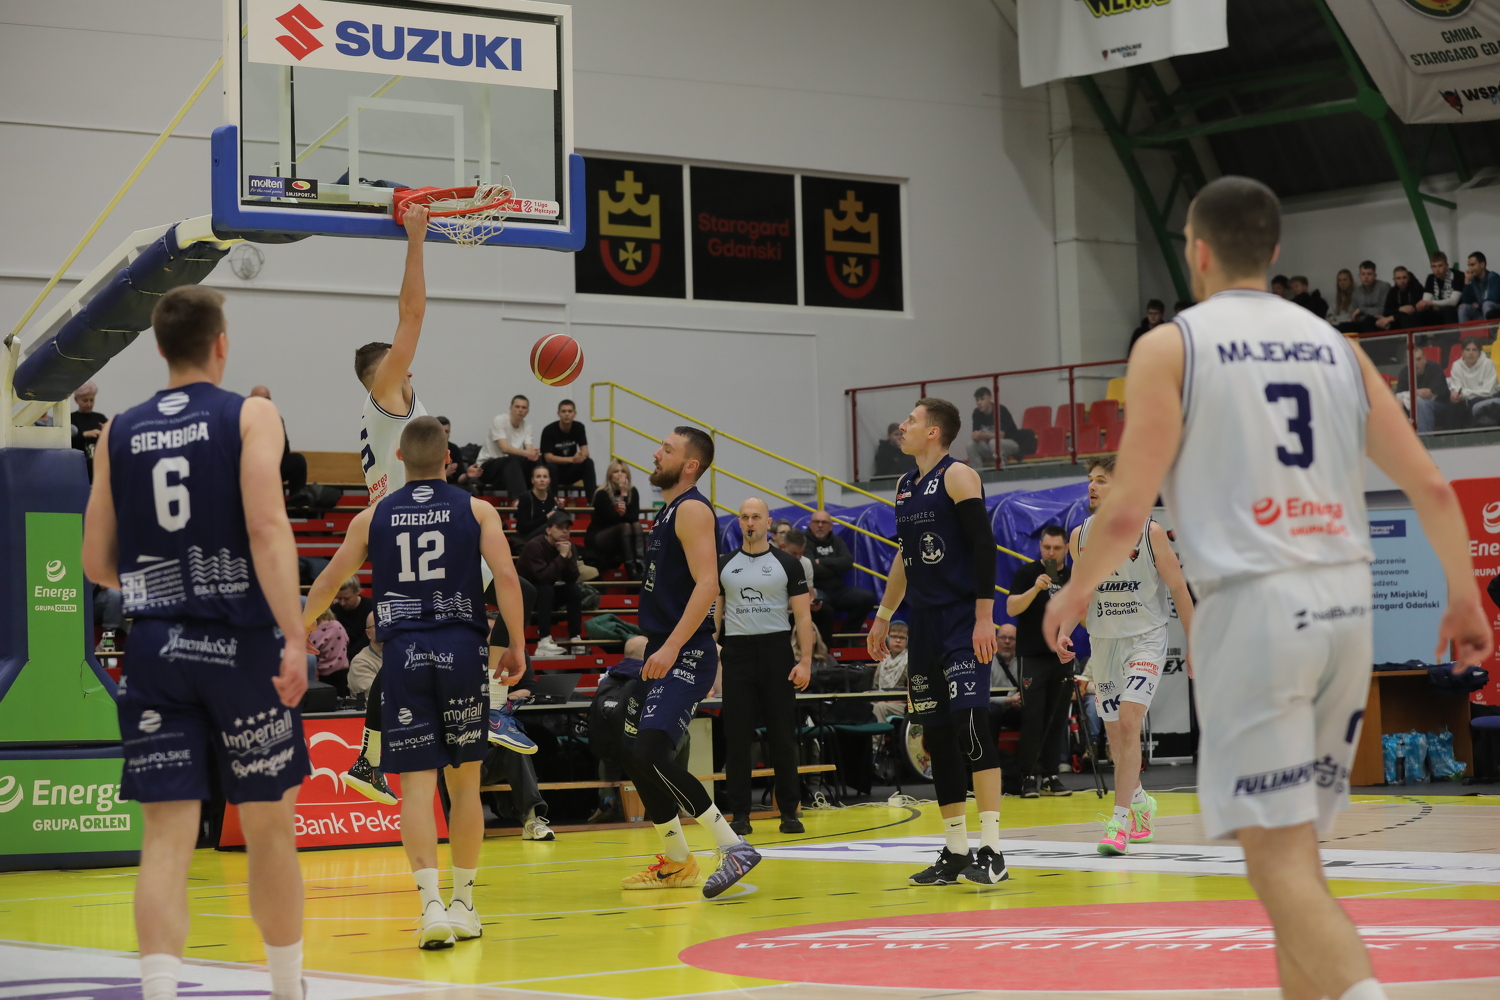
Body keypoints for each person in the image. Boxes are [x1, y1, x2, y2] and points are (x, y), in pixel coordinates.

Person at [1044, 175, 1490, 1000]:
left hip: (1257, 607)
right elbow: (1430, 485)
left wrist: (1074, 592)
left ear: (1196, 252)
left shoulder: (1172, 346)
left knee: (1276, 861)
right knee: (1297, 853)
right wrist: (1463, 596)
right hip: (1344, 609)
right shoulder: (1339, 347)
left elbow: (1126, 509)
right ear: (1275, 251)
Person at [81, 285, 309, 1000]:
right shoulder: (251, 413)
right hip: (240, 645)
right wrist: (295, 634)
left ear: (158, 347)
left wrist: (162, 578)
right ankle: (287, 989)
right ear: (222, 344)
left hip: (156, 646)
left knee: (165, 839)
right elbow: (267, 527)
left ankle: (158, 992)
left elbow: (96, 563)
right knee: (268, 830)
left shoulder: (117, 430)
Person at [303, 416, 528, 949]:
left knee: (418, 788)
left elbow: (328, 581)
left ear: (400, 458)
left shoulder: (372, 515)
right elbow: (507, 578)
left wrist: (298, 632)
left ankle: (430, 908)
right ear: (448, 458)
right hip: (462, 651)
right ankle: (464, 904)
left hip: (404, 655)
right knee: (465, 785)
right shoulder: (478, 510)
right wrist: (517, 644)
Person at [869, 397, 1008, 886]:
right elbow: (905, 557)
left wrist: (985, 617)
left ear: (933, 432)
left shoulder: (959, 476)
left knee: (972, 725)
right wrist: (884, 615)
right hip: (924, 624)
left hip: (963, 619)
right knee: (936, 736)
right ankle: (955, 849)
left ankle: (992, 850)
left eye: (911, 420)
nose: (902, 425)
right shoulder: (905, 485)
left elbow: (984, 547)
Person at [618, 426, 761, 897]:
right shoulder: (669, 510)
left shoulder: (693, 509)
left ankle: (733, 846)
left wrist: (671, 646)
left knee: (650, 753)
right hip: (664, 648)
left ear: (690, 464)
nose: (655, 454)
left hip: (684, 651)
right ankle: (678, 862)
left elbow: (708, 585)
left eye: (667, 449)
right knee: (635, 755)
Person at [343, 204, 433, 805]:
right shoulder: (386, 395)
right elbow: (412, 314)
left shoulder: (388, 415)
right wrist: (416, 239)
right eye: (403, 363)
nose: (410, 368)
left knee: (406, 653)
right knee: (511, 590)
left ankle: (368, 759)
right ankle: (499, 703)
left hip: (397, 535)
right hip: (415, 529)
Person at [1068, 455, 1195, 855]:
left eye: (1101, 480)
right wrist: (1063, 632)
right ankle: (1141, 803)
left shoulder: (1149, 532)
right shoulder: (1080, 537)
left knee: (1128, 722)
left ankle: (1118, 824)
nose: (1092, 486)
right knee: (1116, 739)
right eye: (1090, 479)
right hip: (1104, 642)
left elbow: (1179, 588)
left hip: (1146, 638)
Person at [716, 497, 815, 835]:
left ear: (768, 522)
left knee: (782, 736)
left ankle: (789, 811)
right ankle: (740, 814)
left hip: (776, 652)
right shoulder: (724, 564)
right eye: (744, 516)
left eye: (756, 516)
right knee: (737, 737)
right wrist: (712, 648)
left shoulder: (788, 563)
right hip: (737, 653)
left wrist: (805, 661)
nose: (750, 522)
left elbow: (803, 616)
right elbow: (715, 615)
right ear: (739, 522)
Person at [1006, 525, 1076, 798]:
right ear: (1040, 547)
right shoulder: (1027, 573)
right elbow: (1011, 608)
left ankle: (1051, 775)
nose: (1051, 553)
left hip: (1062, 655)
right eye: (1046, 547)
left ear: (1066, 548)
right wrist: (1035, 589)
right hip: (1032, 655)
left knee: (1056, 718)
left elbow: (1082, 615)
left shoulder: (1072, 576)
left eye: (1057, 548)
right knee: (1033, 717)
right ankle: (1028, 776)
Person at [519, 510, 586, 658]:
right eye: (560, 527)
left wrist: (568, 557)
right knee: (546, 589)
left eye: (567, 528)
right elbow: (543, 577)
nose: (565, 531)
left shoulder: (568, 546)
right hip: (524, 596)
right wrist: (562, 556)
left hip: (545, 593)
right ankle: (544, 640)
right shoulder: (535, 546)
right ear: (548, 530)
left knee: (574, 590)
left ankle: (575, 638)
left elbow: (572, 578)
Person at [807, 510, 876, 643]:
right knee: (823, 605)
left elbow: (847, 563)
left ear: (831, 526)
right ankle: (822, 644)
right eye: (816, 522)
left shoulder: (837, 541)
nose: (820, 525)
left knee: (868, 598)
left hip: (838, 591)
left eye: (824, 522)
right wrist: (835, 567)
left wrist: (821, 561)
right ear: (811, 524)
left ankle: (847, 637)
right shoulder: (805, 541)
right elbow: (810, 567)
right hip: (816, 589)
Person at [587, 459, 646, 578]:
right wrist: (623, 498)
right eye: (616, 471)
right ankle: (631, 569)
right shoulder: (602, 493)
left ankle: (641, 566)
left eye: (623, 471)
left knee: (636, 525)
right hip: (601, 535)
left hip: (623, 536)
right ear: (610, 475)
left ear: (627, 475)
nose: (620, 474)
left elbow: (634, 517)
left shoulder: (633, 491)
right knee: (625, 526)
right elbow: (611, 518)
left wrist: (625, 498)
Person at [473, 395, 539, 497]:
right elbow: (504, 448)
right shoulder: (500, 420)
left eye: (524, 407)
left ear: (527, 411)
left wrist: (533, 454)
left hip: (511, 467)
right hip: (487, 467)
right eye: (517, 407)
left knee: (536, 461)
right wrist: (527, 453)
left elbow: (528, 448)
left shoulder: (527, 426)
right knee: (512, 460)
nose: (520, 410)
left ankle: (540, 499)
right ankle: (519, 501)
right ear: (510, 408)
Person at [248, 386, 307, 497]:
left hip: (272, 465)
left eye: (267, 400)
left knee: (297, 460)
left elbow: (285, 450)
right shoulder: (240, 417)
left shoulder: (276, 418)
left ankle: (296, 502)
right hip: (250, 467)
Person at [540, 398, 596, 495]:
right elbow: (548, 458)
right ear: (558, 413)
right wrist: (572, 459)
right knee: (551, 467)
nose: (567, 414)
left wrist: (581, 456)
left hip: (571, 471)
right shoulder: (549, 430)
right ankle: (552, 502)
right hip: (554, 472)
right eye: (563, 411)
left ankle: (593, 500)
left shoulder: (579, 427)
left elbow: (586, 452)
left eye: (570, 411)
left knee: (588, 462)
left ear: (575, 414)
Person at [1394, 350, 1452, 433]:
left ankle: (1424, 439)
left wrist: (1406, 401)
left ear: (1425, 359)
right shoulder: (1404, 372)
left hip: (1441, 406)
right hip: (1415, 406)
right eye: (1412, 360)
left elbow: (1431, 396)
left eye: (1418, 359)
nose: (1415, 363)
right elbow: (1398, 396)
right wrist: (1416, 392)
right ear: (1407, 361)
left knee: (1423, 405)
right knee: (1393, 406)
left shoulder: (1434, 367)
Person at [1448, 338, 1500, 427]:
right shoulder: (1456, 365)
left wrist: (1464, 394)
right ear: (1462, 352)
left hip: (1487, 400)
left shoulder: (1488, 364)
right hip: (1466, 402)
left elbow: (1488, 391)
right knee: (1452, 406)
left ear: (1479, 352)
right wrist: (1456, 395)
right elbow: (1457, 389)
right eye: (1467, 350)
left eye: (1474, 350)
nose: (1471, 353)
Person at [967, 386, 1021, 469]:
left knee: (994, 442)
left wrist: (982, 435)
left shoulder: (1001, 410)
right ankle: (978, 474)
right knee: (970, 445)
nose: (979, 402)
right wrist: (975, 436)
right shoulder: (976, 413)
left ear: (990, 398)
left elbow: (1001, 435)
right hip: (991, 446)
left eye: (982, 399)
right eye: (977, 400)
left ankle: (1002, 470)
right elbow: (976, 434)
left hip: (1011, 444)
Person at [871, 620, 909, 724]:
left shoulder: (911, 660)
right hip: (883, 699)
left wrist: (898, 700)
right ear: (887, 638)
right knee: (865, 705)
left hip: (904, 704)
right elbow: (875, 686)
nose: (898, 640)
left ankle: (879, 735)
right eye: (894, 636)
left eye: (902, 638)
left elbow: (914, 690)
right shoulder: (883, 660)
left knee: (880, 707)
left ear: (907, 640)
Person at [988, 623, 1022, 734]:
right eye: (1003, 637)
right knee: (993, 710)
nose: (1007, 642)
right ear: (996, 639)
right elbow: (984, 695)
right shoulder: (987, 661)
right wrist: (1010, 700)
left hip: (1014, 710)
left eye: (1011, 638)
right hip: (993, 710)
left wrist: (1020, 701)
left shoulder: (1022, 662)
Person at [70, 380, 107, 478]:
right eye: (85, 400)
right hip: (78, 467)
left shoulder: (100, 418)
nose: (89, 404)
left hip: (99, 467)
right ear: (76, 400)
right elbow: (67, 441)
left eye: (92, 400)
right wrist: (84, 434)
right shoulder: (71, 418)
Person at [309, 607, 351, 695]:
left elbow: (311, 654)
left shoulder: (314, 632)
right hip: (343, 671)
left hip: (324, 674)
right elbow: (347, 640)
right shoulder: (337, 625)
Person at [1340, 260, 1388, 335]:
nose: (1366, 277)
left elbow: (1381, 310)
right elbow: (1354, 315)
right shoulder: (1356, 292)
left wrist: (1361, 310)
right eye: (1363, 274)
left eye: (1369, 274)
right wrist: (1363, 313)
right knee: (1342, 327)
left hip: (1379, 322)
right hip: (1361, 323)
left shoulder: (1383, 287)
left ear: (1375, 276)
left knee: (1368, 321)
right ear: (1359, 276)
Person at [514, 464, 558, 543]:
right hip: (528, 539)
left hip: (548, 539)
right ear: (532, 480)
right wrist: (546, 517)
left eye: (545, 477)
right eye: (538, 476)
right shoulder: (525, 498)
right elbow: (522, 527)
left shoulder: (552, 498)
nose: (542, 480)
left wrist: (561, 509)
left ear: (549, 480)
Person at [1418, 251, 1464, 326]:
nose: (1437, 269)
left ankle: (1452, 333)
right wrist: (1421, 306)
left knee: (1448, 310)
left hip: (1454, 309)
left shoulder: (1458, 275)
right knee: (1422, 313)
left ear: (1447, 265)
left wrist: (1431, 303)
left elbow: (1453, 301)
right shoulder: (1431, 278)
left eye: (1440, 266)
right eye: (1434, 266)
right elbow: (1426, 300)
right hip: (1437, 309)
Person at [331, 577, 373, 659]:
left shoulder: (372, 608)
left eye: (347, 599)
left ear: (357, 591)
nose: (342, 603)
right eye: (339, 598)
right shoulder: (333, 611)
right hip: (341, 658)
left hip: (367, 657)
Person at [1374, 266, 1424, 331]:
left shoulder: (1417, 288)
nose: (1402, 281)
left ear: (1409, 278)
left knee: (1406, 319)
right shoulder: (1393, 291)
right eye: (1398, 278)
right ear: (1394, 280)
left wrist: (1391, 318)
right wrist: (1400, 309)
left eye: (1404, 278)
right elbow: (1387, 311)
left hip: (1415, 320)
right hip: (1398, 321)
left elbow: (1412, 310)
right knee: (1374, 321)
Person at [1459, 251, 1500, 322]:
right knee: (1463, 308)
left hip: (1494, 313)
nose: (1470, 268)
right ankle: (1464, 330)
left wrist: (1479, 304)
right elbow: (1466, 301)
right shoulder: (1473, 280)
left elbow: (1494, 298)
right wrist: (1467, 281)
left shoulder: (1493, 277)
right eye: (1469, 266)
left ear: (1482, 265)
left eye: (1472, 265)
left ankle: (1490, 329)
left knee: (1486, 304)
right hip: (1480, 313)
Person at [348, 612, 382, 698]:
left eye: (388, 624)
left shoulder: (404, 654)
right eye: (377, 625)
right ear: (368, 633)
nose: (384, 628)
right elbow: (377, 693)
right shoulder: (360, 662)